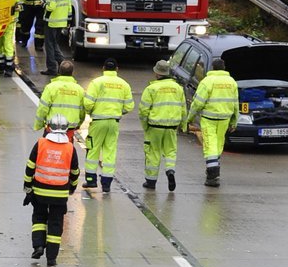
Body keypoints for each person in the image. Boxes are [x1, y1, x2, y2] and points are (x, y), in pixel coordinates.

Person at [23, 113, 79, 267]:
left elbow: (30, 167)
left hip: (40, 191)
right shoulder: (70, 148)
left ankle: (38, 246)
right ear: (67, 130)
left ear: (48, 127)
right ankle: (52, 258)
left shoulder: (40, 143)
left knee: (39, 218)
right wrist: (72, 188)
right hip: (60, 194)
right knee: (55, 223)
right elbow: (74, 172)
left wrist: (28, 188)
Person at [82, 59, 134, 192]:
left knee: (93, 150)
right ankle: (106, 184)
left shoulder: (96, 82)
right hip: (113, 122)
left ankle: (91, 180)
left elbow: (87, 103)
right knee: (110, 152)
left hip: (98, 122)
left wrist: (91, 112)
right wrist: (117, 112)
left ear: (103, 68)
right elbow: (129, 106)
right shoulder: (124, 84)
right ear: (117, 69)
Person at [187, 60, 239, 187]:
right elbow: (235, 104)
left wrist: (189, 118)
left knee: (210, 146)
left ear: (213, 68)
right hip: (224, 119)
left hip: (209, 119)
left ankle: (212, 175)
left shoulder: (207, 82)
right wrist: (234, 121)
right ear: (224, 68)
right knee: (218, 145)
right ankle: (214, 169)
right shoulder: (231, 82)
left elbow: (198, 103)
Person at [138, 57, 187, 191]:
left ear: (157, 73)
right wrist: (183, 125)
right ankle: (170, 170)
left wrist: (145, 126)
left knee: (153, 153)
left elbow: (143, 110)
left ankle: (151, 182)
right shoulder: (178, 88)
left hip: (155, 127)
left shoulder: (151, 88)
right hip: (172, 127)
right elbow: (183, 108)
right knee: (170, 152)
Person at [33, 59, 86, 135]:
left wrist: (38, 125)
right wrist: (79, 124)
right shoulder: (79, 90)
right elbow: (82, 111)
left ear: (59, 71)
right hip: (69, 128)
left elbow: (43, 108)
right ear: (72, 72)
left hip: (53, 127)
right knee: (68, 147)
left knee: (43, 146)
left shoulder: (50, 87)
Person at [41, 0, 72, 74]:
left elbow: (51, 7)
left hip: (51, 22)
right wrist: (68, 20)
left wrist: (44, 4)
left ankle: (52, 68)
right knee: (55, 44)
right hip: (61, 22)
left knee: (49, 45)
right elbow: (68, 7)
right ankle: (63, 65)